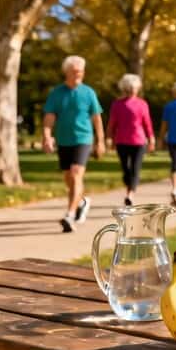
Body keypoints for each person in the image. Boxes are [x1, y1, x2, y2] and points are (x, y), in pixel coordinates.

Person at [42, 55, 105, 233]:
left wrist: (100, 141)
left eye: (81, 72)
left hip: (83, 139)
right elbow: (49, 117)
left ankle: (70, 215)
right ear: (67, 72)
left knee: (76, 173)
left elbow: (97, 118)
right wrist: (47, 136)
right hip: (63, 140)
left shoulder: (89, 93)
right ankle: (82, 201)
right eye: (75, 72)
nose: (79, 74)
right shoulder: (57, 93)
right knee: (68, 177)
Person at [107, 73, 155, 206]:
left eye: (135, 87)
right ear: (125, 88)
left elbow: (147, 123)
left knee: (135, 168)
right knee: (125, 170)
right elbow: (112, 122)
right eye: (130, 87)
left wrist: (151, 138)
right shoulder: (117, 104)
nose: (133, 90)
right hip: (121, 141)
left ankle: (130, 194)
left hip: (138, 142)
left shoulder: (142, 104)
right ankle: (129, 187)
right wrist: (109, 137)